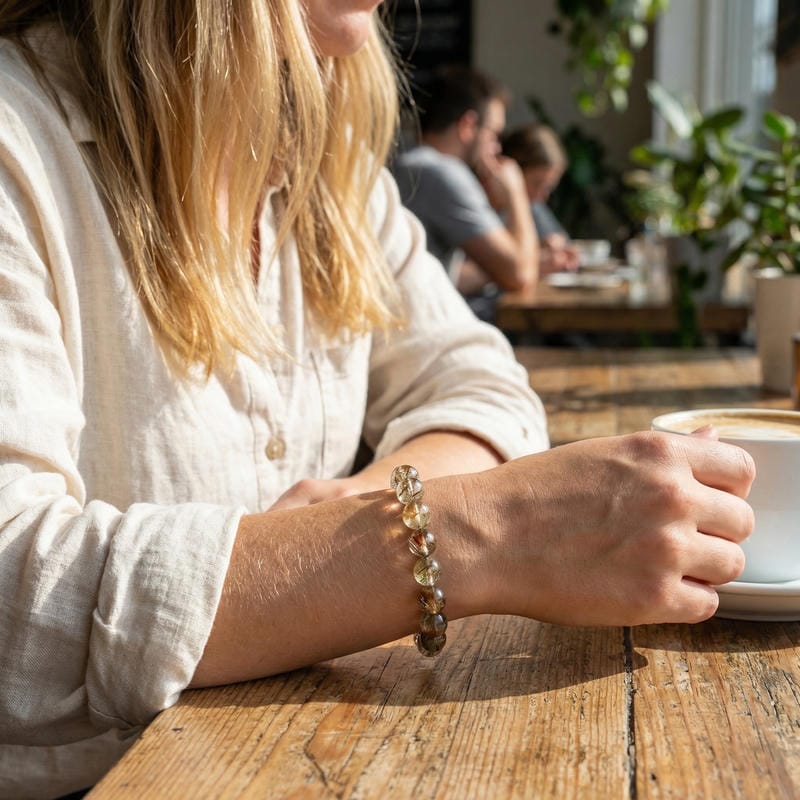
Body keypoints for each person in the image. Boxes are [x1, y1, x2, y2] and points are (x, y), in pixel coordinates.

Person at [0, 2, 755, 798]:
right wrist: (480, 533)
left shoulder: (330, 167)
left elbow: (479, 381)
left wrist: (348, 525)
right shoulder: (22, 146)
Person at [391, 66, 539, 300]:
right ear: (467, 125)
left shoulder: (403, 162)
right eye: (493, 134)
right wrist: (515, 192)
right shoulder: (442, 172)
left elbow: (446, 274)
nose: (497, 148)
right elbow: (520, 275)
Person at [501, 122, 580, 273]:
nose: (542, 195)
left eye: (548, 187)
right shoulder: (487, 207)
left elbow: (559, 239)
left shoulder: (533, 204)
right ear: (513, 172)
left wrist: (554, 246)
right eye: (537, 184)